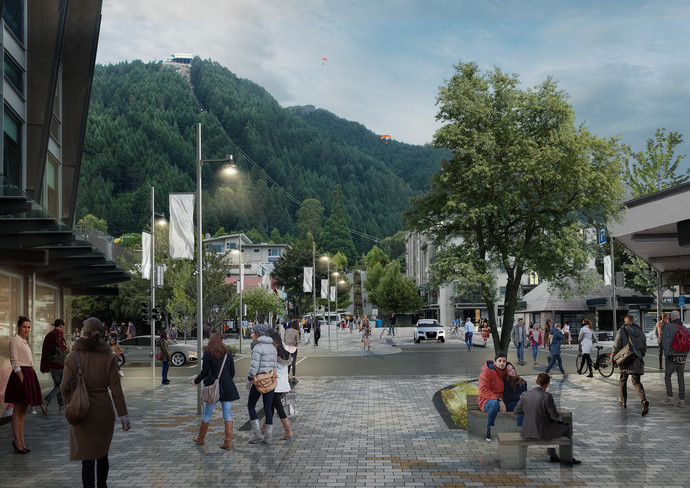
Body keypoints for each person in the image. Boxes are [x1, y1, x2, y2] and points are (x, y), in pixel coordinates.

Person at [60, 318, 130, 487]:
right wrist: (124, 416)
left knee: (87, 459)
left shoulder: (73, 356)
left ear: (84, 333)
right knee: (102, 454)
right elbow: (116, 391)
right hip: (103, 412)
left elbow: (63, 388)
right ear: (102, 333)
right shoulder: (109, 357)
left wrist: (71, 401)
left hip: (82, 411)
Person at [514, 373, 581, 465]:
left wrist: (529, 409)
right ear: (546, 384)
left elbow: (516, 411)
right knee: (565, 429)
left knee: (551, 426)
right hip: (541, 432)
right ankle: (567, 458)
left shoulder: (525, 394)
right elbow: (554, 415)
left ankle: (552, 454)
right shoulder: (547, 396)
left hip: (527, 431)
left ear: (536, 381)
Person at [191, 332, 239, 449]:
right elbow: (232, 371)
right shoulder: (228, 353)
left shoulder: (208, 353)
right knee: (227, 414)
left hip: (213, 388)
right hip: (227, 387)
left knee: (207, 413)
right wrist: (226, 380)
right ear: (221, 341)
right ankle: (228, 442)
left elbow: (205, 371)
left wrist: (196, 381)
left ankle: (201, 438)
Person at [5, 316, 42, 453]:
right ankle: (17, 441)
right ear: (18, 327)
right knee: (18, 410)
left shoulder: (23, 341)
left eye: (28, 327)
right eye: (24, 327)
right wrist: (22, 379)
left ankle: (21, 441)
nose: (27, 329)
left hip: (28, 374)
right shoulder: (15, 340)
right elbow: (14, 361)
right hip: (21, 375)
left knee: (23, 411)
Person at [246, 323, 278, 444]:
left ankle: (257, 434)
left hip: (259, 381)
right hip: (270, 380)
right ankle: (268, 437)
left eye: (253, 332)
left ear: (259, 334)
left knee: (251, 405)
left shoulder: (258, 347)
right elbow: (274, 365)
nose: (251, 334)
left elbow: (254, 367)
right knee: (268, 408)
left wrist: (249, 380)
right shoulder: (272, 347)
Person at [612, 315, 649, 416]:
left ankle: (623, 402)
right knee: (636, 382)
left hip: (625, 359)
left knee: (623, 380)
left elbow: (616, 346)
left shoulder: (622, 330)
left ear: (626, 321)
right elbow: (644, 348)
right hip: (637, 360)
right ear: (633, 321)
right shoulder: (641, 332)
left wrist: (613, 358)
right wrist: (640, 356)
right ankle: (643, 401)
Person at [263, 331, 294, 440]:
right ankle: (264, 428)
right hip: (283, 383)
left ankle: (288, 430)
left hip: (275, 384)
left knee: (278, 407)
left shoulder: (274, 353)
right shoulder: (285, 353)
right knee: (270, 406)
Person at [40, 318, 70, 414]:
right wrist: (65, 347)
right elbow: (58, 343)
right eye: (63, 327)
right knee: (60, 385)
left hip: (51, 364)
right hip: (58, 364)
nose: (63, 329)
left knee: (58, 385)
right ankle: (46, 401)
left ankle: (61, 406)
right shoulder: (58, 333)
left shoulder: (49, 335)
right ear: (61, 325)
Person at [478, 353, 507, 441]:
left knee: (521, 404)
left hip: (501, 402)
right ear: (495, 362)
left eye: (504, 361)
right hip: (487, 401)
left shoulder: (504, 373)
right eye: (500, 361)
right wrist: (498, 400)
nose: (502, 363)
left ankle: (524, 430)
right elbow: (483, 390)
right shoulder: (487, 372)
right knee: (494, 404)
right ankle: (490, 429)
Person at [661, 310, 687, 408]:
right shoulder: (684, 328)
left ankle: (670, 398)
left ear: (671, 318)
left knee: (667, 376)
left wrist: (667, 355)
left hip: (672, 356)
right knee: (681, 378)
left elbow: (666, 343)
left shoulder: (668, 327)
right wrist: (684, 355)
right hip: (682, 357)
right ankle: (681, 400)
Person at [503, 362, 527, 426]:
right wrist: (519, 396)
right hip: (509, 404)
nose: (513, 371)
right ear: (506, 373)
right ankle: (521, 428)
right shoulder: (506, 382)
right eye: (510, 370)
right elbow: (506, 397)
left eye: (513, 368)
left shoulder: (522, 381)